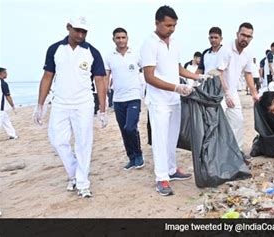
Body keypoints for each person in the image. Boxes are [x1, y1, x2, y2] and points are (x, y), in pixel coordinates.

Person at [33, 16, 107, 198]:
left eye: (84, 31)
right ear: (68, 28)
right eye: (77, 30)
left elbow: (100, 81)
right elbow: (47, 77)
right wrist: (40, 104)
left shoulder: (92, 52)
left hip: (84, 103)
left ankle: (82, 183)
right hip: (60, 103)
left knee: (83, 143)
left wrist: (103, 110)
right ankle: (74, 172)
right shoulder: (54, 49)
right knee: (57, 140)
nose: (81, 34)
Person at [140, 6, 211, 196]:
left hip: (174, 99)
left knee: (172, 138)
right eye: (168, 25)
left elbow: (178, 68)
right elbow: (149, 76)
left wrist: (197, 77)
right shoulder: (149, 44)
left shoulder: (175, 43)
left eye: (174, 25)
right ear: (157, 23)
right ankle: (161, 178)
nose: (171, 29)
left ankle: (171, 170)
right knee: (160, 139)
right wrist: (175, 87)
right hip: (159, 101)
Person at [217, 22, 259, 162]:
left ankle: (237, 152)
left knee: (238, 121)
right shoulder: (226, 50)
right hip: (218, 91)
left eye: (248, 36)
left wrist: (254, 93)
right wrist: (226, 94)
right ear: (237, 34)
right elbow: (219, 73)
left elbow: (248, 74)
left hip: (232, 91)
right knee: (216, 123)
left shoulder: (247, 53)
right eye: (243, 35)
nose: (245, 39)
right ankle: (215, 154)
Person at [104, 27, 144, 170]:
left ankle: (138, 155)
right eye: (118, 38)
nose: (121, 40)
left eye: (123, 37)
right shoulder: (109, 57)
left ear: (127, 38)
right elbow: (105, 77)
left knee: (130, 127)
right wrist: (103, 99)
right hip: (118, 99)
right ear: (113, 39)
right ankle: (131, 158)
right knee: (123, 130)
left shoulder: (136, 55)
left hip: (134, 97)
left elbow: (148, 70)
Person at [0, 67, 18, 140]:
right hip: (0, 107)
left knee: (6, 120)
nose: (6, 74)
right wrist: (13, 106)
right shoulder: (3, 84)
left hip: (1, 108)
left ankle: (12, 134)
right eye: (4, 73)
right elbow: (8, 96)